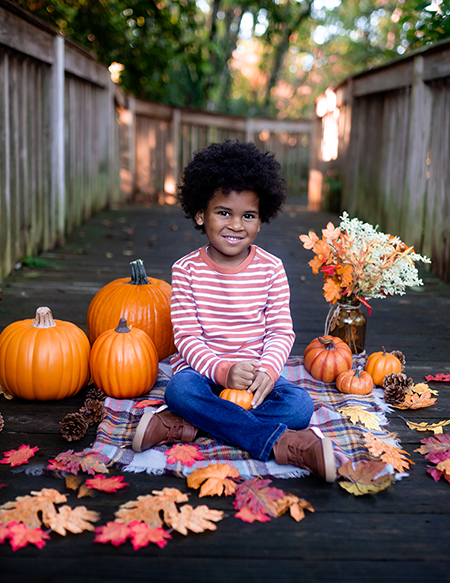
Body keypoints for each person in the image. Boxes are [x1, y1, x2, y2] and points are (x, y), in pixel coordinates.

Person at [132, 140, 336, 482]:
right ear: (201, 214)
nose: (236, 225)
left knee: (299, 406)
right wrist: (223, 371)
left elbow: (280, 331)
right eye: (224, 212)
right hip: (202, 375)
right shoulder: (186, 270)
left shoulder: (271, 269)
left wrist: (269, 372)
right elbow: (186, 335)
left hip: (255, 379)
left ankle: (186, 425)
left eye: (249, 215)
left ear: (261, 220)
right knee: (179, 391)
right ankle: (284, 444)